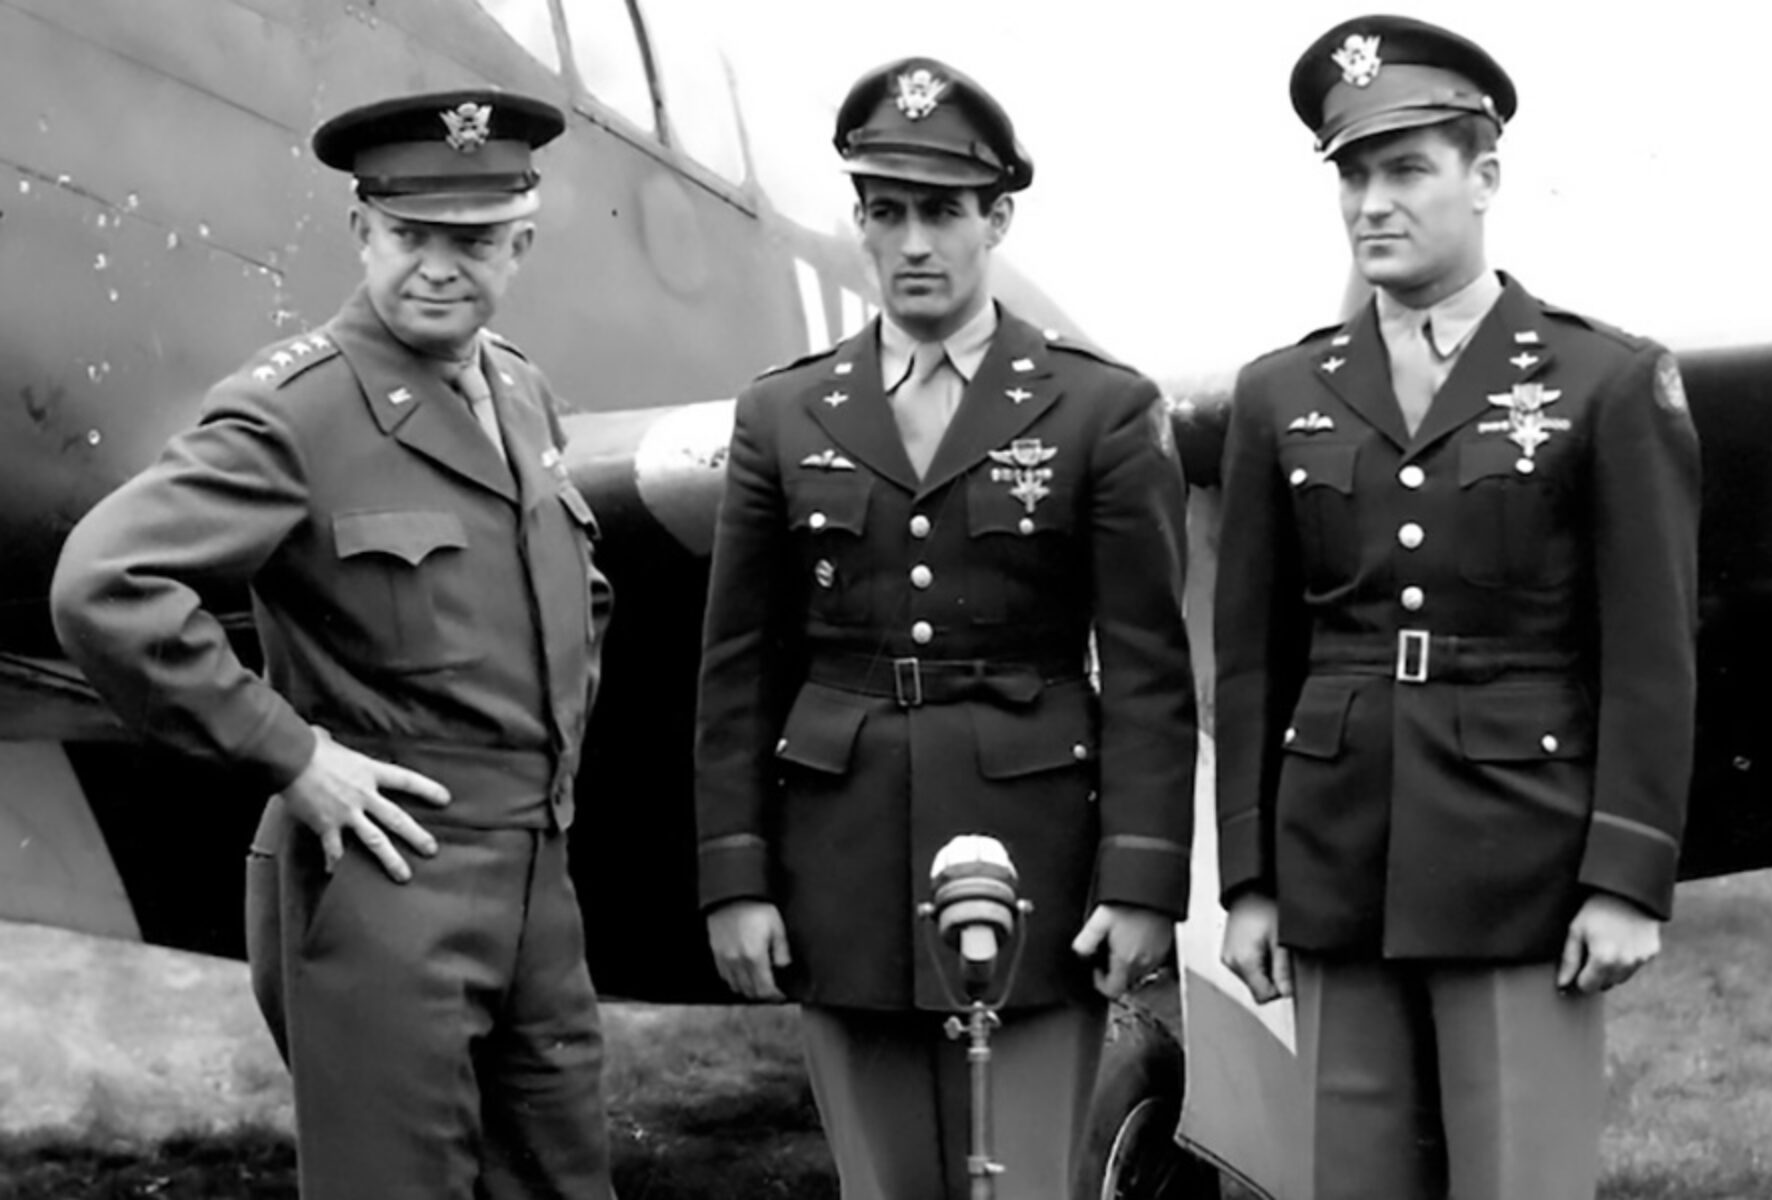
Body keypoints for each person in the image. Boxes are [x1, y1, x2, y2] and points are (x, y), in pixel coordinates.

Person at [49, 90, 613, 1200]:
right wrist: (294, 756)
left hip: (538, 880)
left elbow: (576, 596)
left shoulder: (526, 396)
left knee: (563, 1183)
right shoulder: (294, 411)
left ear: (522, 245)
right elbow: (108, 584)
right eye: (410, 237)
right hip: (388, 874)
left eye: (473, 243)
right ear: (362, 232)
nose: (439, 268)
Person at [1214, 15, 1701, 1200]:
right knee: (1349, 1180)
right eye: (1354, 176)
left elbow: (1649, 649)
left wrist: (1627, 876)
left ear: (1484, 179)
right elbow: (1251, 657)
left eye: (1406, 170)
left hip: (1518, 856)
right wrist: (1250, 878)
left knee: (1516, 1182)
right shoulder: (1283, 394)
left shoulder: (1603, 382)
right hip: (1336, 860)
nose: (1373, 204)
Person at [693, 56, 1197, 1200]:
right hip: (842, 868)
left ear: (997, 218)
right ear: (860, 227)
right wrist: (736, 879)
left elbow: (1152, 671)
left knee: (1019, 1185)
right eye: (887, 213)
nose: (914, 242)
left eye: (943, 212)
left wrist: (1143, 882)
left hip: (1037, 863)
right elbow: (738, 670)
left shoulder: (1097, 409)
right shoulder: (783, 413)